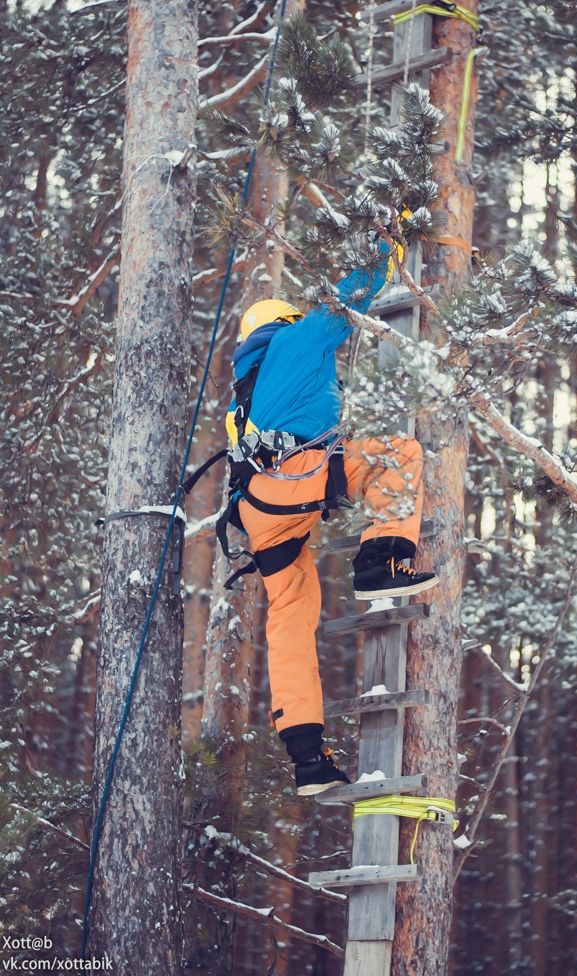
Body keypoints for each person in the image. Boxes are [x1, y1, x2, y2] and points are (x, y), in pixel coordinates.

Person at [225, 240, 438, 795]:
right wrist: (389, 245)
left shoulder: (241, 394)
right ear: (282, 322)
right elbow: (343, 303)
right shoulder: (293, 342)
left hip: (261, 509)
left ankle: (306, 753)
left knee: (291, 614)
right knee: (400, 454)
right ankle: (381, 560)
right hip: (299, 471)